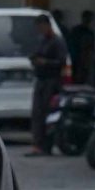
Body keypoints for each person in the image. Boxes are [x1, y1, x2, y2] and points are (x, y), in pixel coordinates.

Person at [27, 12, 69, 155]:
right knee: (37, 112)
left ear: (47, 26)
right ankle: (37, 144)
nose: (40, 30)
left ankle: (47, 145)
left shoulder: (57, 41)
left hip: (52, 81)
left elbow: (62, 61)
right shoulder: (42, 40)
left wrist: (46, 62)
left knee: (47, 113)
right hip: (41, 79)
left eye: (41, 27)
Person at [70, 9, 95, 80]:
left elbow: (91, 48)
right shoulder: (77, 31)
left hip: (84, 60)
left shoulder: (89, 32)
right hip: (78, 59)